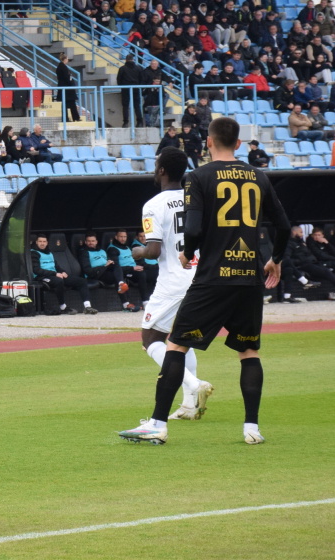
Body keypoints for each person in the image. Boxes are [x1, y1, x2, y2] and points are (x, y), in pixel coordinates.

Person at [119, 116, 291, 446]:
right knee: (249, 351)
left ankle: (157, 423)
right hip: (249, 276)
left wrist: (187, 252)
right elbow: (283, 225)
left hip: (212, 276)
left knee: (175, 344)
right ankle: (251, 428)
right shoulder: (258, 176)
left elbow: (194, 229)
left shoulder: (199, 177)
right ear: (239, 144)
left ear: (208, 143)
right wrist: (276, 260)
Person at [131, 148, 214, 420]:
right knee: (182, 340)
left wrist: (138, 251)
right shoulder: (197, 199)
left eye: (157, 165)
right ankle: (189, 405)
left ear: (162, 170)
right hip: (201, 279)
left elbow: (153, 251)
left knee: (150, 339)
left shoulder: (154, 204)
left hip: (173, 282)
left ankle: (193, 384)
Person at [30, 234, 92, 315]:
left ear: (47, 242)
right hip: (42, 277)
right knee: (59, 281)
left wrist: (62, 272)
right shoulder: (34, 253)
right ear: (36, 243)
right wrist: (55, 273)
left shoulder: (49, 253)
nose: (42, 243)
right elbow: (36, 270)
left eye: (44, 241)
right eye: (40, 241)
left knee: (81, 281)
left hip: (54, 275)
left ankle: (87, 307)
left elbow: (56, 266)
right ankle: (63, 307)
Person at [78, 232, 139, 312]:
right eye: (89, 241)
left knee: (116, 266)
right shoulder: (84, 252)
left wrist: (110, 263)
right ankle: (126, 303)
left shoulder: (102, 251)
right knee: (117, 277)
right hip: (96, 274)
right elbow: (88, 271)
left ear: (96, 242)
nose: (91, 243)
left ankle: (121, 284)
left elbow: (109, 262)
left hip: (106, 271)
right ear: (85, 242)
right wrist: (105, 266)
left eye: (93, 241)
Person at [107, 230, 150, 306]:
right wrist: (132, 268)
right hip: (122, 272)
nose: (123, 239)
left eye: (124, 237)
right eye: (121, 237)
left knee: (143, 273)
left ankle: (145, 301)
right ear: (116, 237)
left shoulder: (127, 247)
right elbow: (116, 267)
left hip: (132, 270)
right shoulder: (112, 249)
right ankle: (126, 304)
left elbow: (136, 260)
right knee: (121, 279)